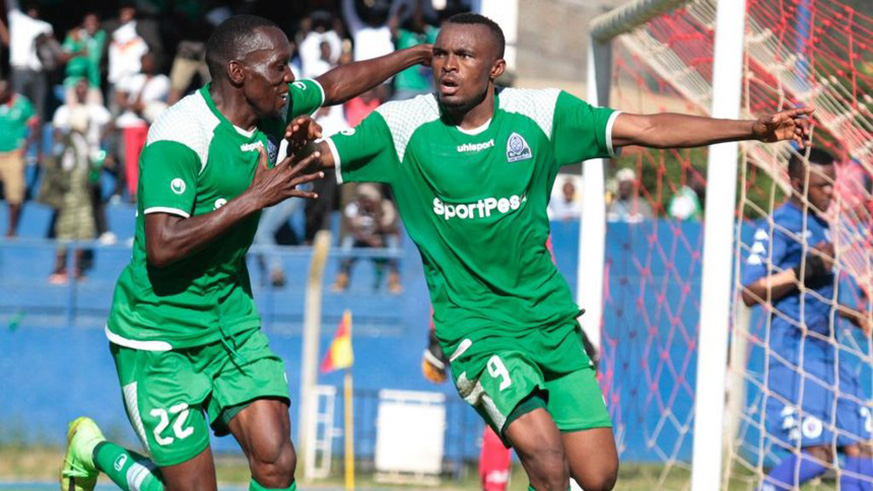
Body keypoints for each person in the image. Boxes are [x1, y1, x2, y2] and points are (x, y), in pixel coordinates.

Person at [312, 12, 813, 490]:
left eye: (464, 55)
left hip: (550, 323)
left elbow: (647, 128)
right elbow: (320, 156)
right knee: (547, 458)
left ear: (496, 68)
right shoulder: (402, 124)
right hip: (476, 330)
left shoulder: (541, 114)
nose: (448, 65)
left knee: (596, 476)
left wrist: (753, 129)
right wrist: (297, 139)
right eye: (440, 54)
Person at [60, 14, 431, 491]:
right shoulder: (179, 136)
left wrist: (415, 55)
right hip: (157, 337)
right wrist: (254, 198)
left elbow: (336, 83)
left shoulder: (272, 109)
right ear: (239, 72)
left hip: (230, 319)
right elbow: (163, 246)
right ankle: (92, 448)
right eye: (279, 67)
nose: (290, 78)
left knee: (277, 462)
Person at [741, 148, 873, 490]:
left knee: (863, 445)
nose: (830, 193)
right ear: (796, 183)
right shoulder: (778, 226)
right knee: (818, 453)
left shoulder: (820, 225)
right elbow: (750, 292)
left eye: (832, 184)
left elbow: (814, 294)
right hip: (794, 349)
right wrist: (806, 269)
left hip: (827, 350)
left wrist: (852, 314)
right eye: (820, 186)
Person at [331, 183, 402, 293]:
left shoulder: (385, 206)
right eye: (363, 199)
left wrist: (377, 215)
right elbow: (352, 228)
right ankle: (342, 277)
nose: (366, 203)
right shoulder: (353, 206)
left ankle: (393, 280)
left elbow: (391, 227)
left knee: (393, 244)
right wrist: (370, 239)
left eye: (368, 200)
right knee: (347, 243)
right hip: (360, 239)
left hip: (380, 239)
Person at [0, 77, 37, 237]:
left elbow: (35, 125)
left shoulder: (22, 104)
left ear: (9, 92)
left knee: (14, 194)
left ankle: (12, 229)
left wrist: (27, 143)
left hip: (13, 154)